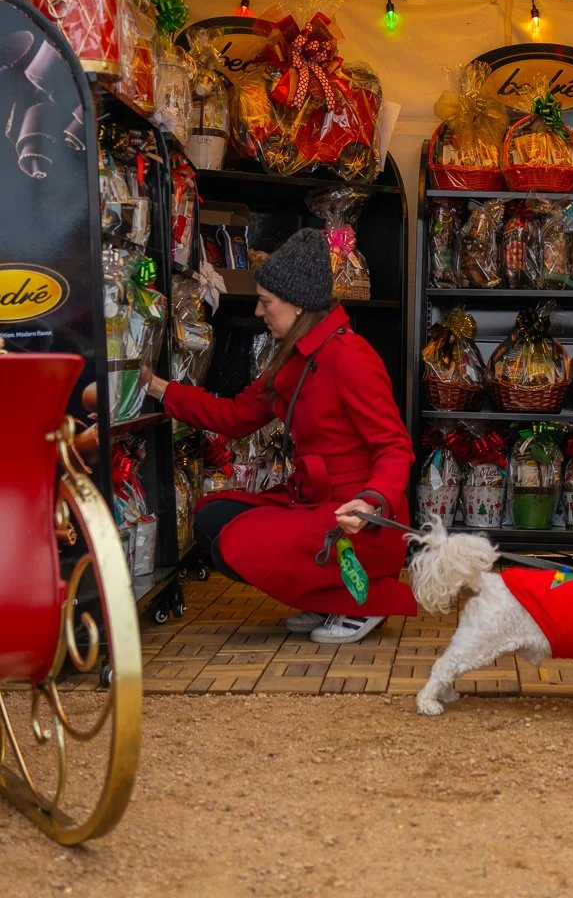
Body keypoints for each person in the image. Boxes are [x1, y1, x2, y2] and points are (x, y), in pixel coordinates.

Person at [145, 228, 417, 643]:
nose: (258, 311)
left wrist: (370, 500)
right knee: (213, 519)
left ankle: (361, 600)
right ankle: (326, 595)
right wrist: (158, 387)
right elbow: (236, 416)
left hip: (360, 522)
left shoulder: (351, 358)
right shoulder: (292, 361)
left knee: (236, 543)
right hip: (313, 504)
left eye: (266, 302)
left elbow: (395, 446)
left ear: (297, 306)